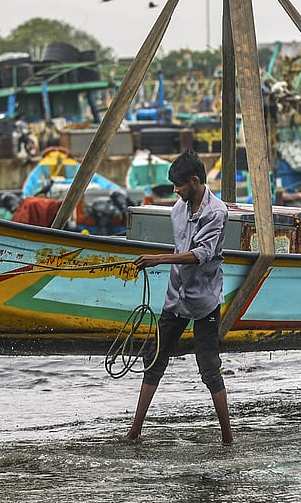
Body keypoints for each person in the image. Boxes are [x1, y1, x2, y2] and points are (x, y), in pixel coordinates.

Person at [123, 149, 232, 444]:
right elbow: (182, 249)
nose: (175, 191)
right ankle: (134, 431)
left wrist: (159, 259)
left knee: (209, 368)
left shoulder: (216, 211)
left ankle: (227, 437)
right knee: (154, 358)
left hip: (205, 299)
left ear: (195, 181)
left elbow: (203, 254)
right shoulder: (177, 210)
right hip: (176, 298)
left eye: (179, 185)